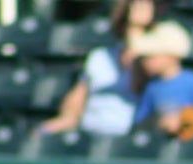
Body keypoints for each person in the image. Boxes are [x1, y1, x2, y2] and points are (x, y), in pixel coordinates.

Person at [40, 0, 167, 136]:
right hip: (91, 132)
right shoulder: (99, 57)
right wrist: (67, 118)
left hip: (130, 135)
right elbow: (80, 94)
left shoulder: (157, 59)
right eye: (136, 5)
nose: (140, 8)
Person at [129, 20, 193, 140]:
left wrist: (183, 119)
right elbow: (141, 121)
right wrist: (160, 122)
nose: (146, 62)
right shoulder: (152, 86)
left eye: (152, 56)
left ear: (172, 56)